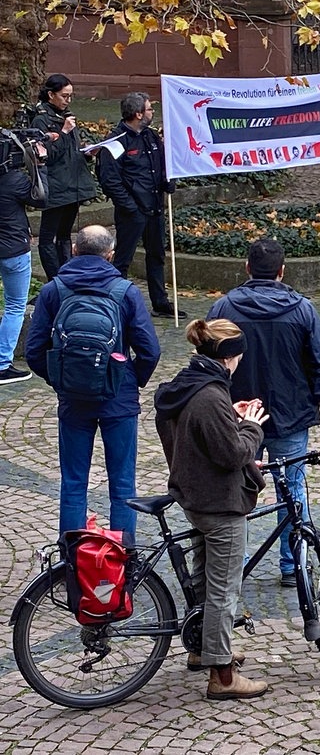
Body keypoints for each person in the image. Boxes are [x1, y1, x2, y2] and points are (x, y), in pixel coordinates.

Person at [153, 318, 269, 700]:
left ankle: (203, 648)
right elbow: (232, 453)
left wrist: (229, 416)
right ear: (231, 357)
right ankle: (222, 677)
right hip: (219, 503)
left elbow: (198, 428)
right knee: (223, 591)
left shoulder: (190, 383)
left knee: (205, 579)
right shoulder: (210, 396)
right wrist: (251, 426)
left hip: (193, 495)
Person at [206, 238, 320, 586]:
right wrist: (310, 402)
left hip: (236, 416)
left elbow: (206, 359)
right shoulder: (302, 309)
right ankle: (294, 564)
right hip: (289, 416)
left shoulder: (223, 309)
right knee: (292, 490)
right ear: (282, 271)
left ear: (247, 268)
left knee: (234, 491)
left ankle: (234, 564)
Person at [26, 225, 161, 541]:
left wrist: (61, 380)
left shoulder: (54, 291)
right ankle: (123, 564)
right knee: (123, 483)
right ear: (110, 255)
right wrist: (129, 378)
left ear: (74, 250)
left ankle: (71, 563)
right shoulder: (125, 292)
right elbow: (150, 350)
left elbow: (34, 352)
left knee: (73, 483)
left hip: (74, 400)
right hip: (119, 400)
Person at [97, 91, 184, 317]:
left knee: (157, 256)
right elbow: (110, 180)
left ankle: (160, 302)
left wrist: (168, 181)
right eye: (149, 109)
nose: (152, 112)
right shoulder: (116, 142)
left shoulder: (151, 136)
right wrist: (130, 206)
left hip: (154, 206)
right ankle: (114, 303)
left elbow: (163, 164)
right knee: (122, 259)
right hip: (132, 211)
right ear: (137, 114)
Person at [31, 74, 97, 281]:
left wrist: (87, 153)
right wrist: (65, 131)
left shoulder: (66, 116)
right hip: (55, 186)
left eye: (70, 96)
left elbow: (70, 151)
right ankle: (55, 280)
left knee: (65, 235)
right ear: (51, 95)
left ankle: (67, 277)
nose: (68, 100)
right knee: (47, 237)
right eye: (64, 96)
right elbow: (46, 155)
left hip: (73, 184)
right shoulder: (41, 119)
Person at [0, 131, 46, 384]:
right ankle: (2, 363)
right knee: (15, 306)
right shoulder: (14, 180)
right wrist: (39, 165)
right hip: (13, 250)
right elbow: (41, 197)